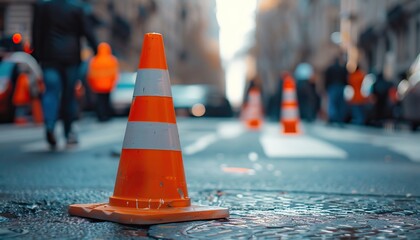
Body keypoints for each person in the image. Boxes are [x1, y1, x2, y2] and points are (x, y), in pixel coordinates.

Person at [32, 0, 98, 148]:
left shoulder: (43, 7)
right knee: (68, 96)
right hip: (71, 58)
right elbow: (88, 31)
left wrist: (37, 56)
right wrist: (96, 49)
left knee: (50, 92)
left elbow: (37, 33)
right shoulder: (76, 8)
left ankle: (50, 126)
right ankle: (68, 133)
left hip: (49, 58)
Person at [87, 43, 119, 122]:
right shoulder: (112, 60)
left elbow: (90, 74)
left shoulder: (94, 61)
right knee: (107, 101)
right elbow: (115, 74)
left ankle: (100, 116)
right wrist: (113, 83)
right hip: (108, 86)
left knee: (99, 101)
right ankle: (107, 116)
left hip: (97, 86)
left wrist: (92, 85)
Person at [324, 57, 348, 124]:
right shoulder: (342, 68)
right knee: (340, 104)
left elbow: (327, 78)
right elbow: (345, 78)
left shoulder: (330, 68)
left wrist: (326, 87)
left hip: (333, 87)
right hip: (340, 86)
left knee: (332, 103)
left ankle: (332, 118)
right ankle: (340, 119)